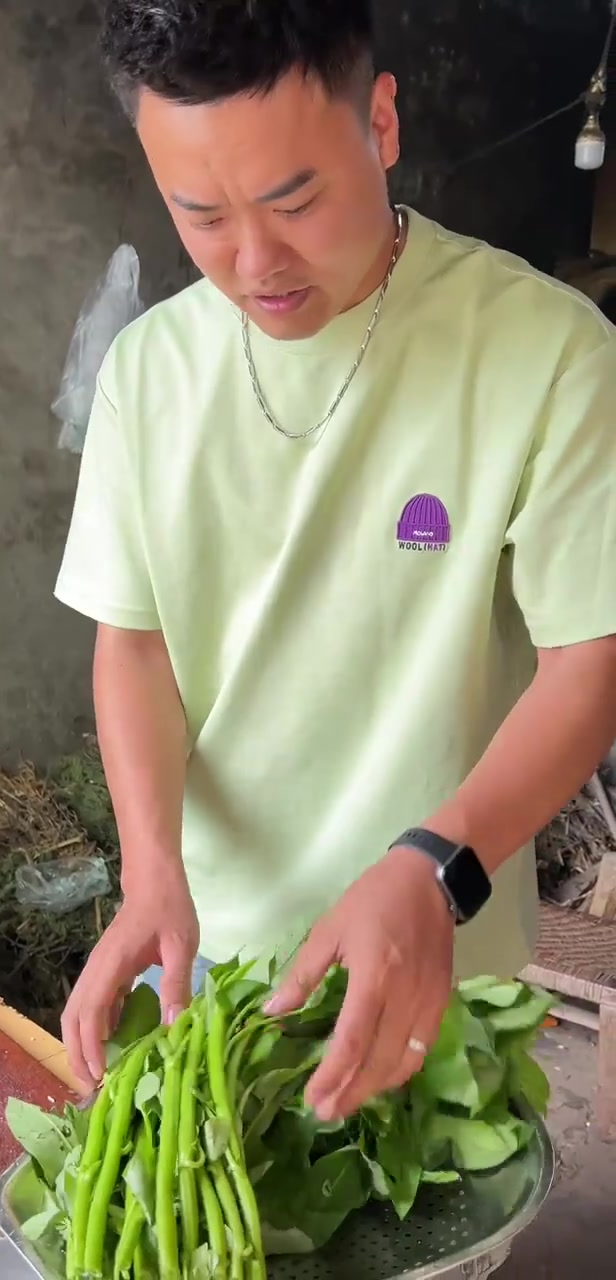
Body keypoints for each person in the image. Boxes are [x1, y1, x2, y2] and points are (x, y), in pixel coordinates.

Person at [55, 0, 616, 1121]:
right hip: (213, 963)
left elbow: (587, 662)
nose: (255, 261)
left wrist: (437, 868)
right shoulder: (145, 375)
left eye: (295, 200)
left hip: (441, 963)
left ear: (383, 122)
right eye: (201, 215)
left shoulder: (549, 353)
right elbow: (137, 641)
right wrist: (151, 868)